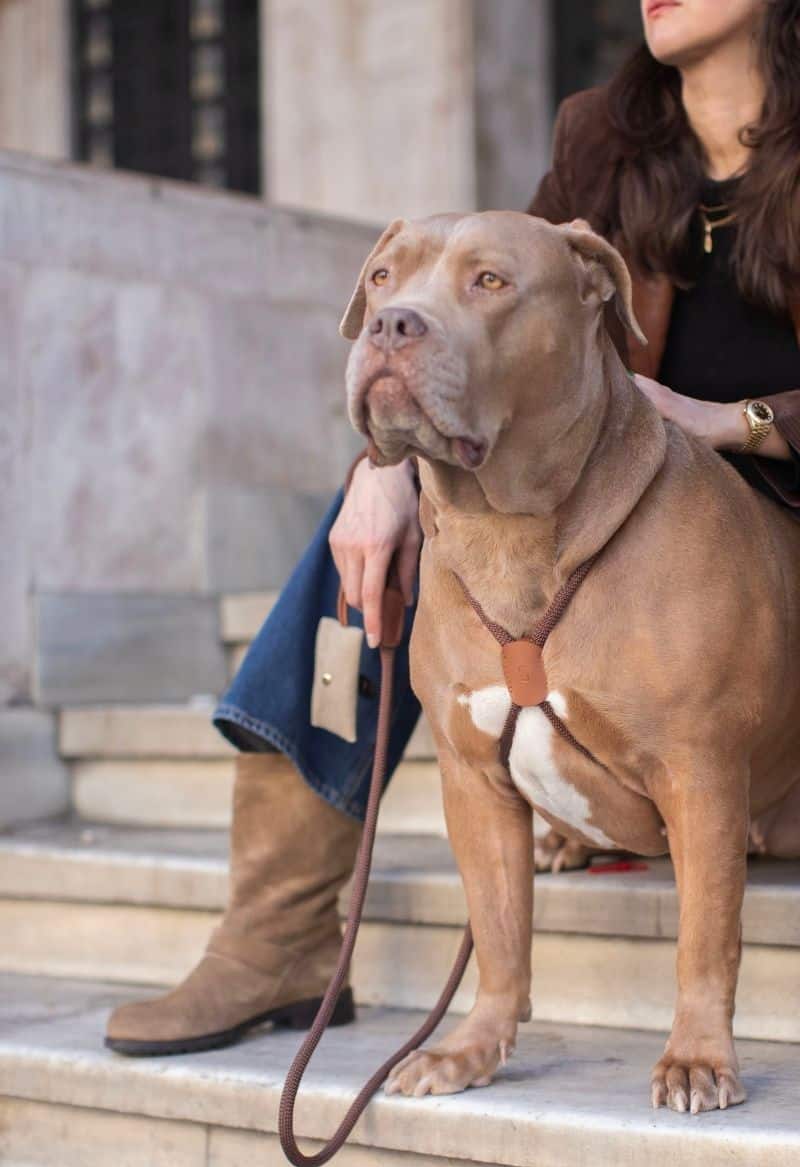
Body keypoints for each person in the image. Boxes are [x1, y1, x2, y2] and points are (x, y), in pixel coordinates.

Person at [105, 0, 800, 1056]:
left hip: (763, 499)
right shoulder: (601, 135)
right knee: (355, 548)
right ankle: (276, 936)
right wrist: (384, 469)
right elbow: (488, 304)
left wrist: (735, 423)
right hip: (603, 490)